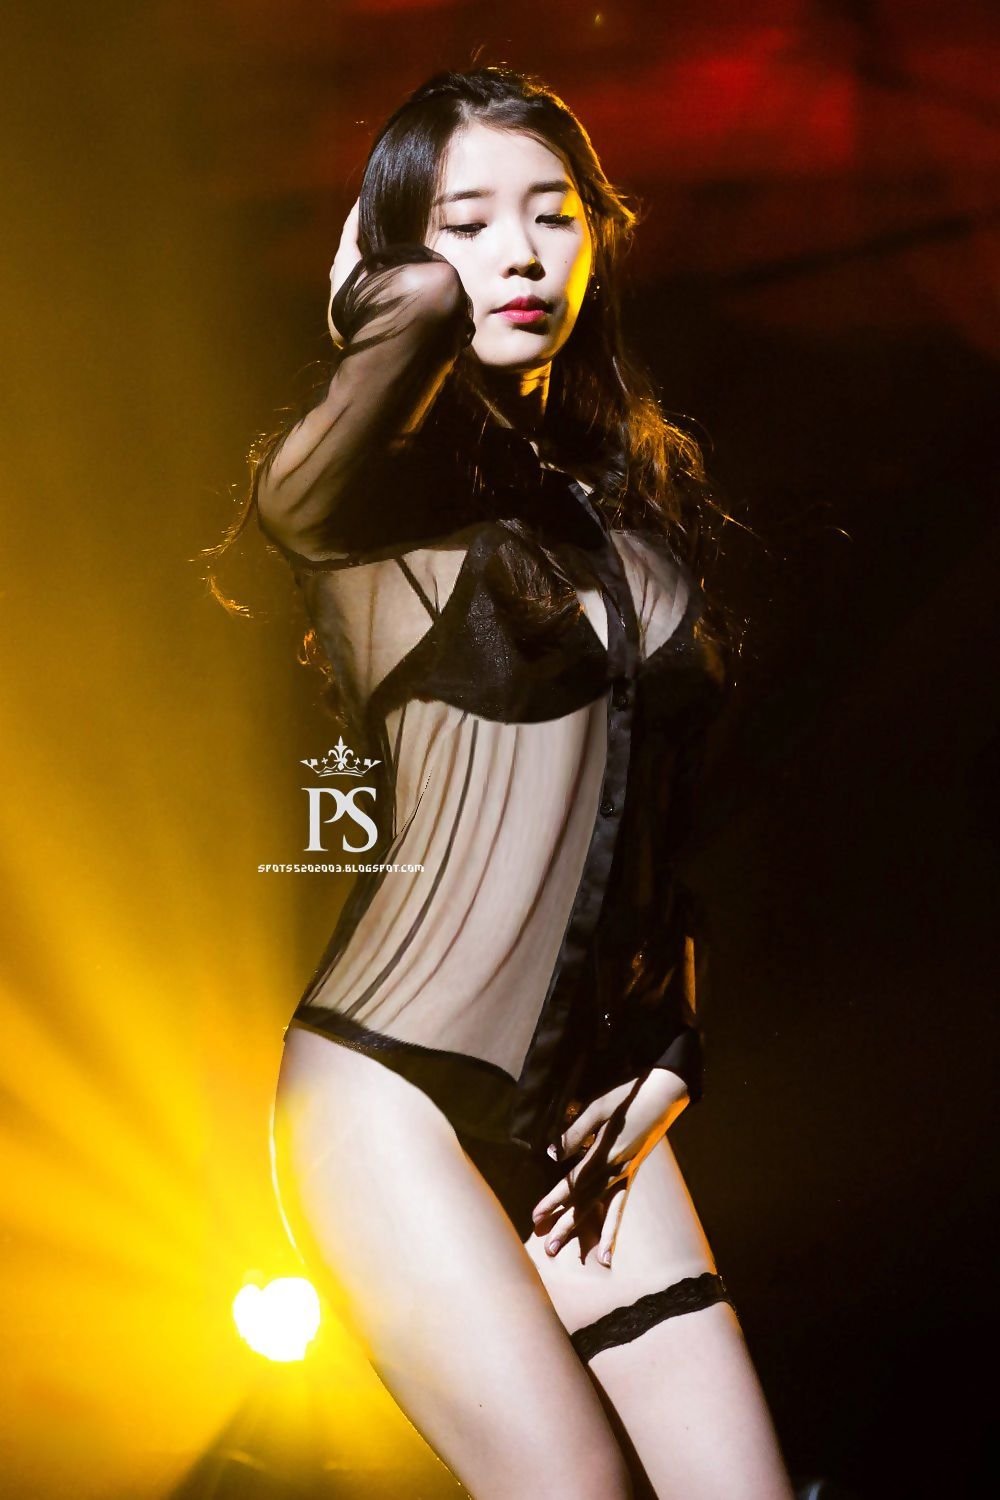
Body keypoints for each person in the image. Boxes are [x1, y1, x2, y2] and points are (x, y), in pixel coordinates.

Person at [219, 65, 797, 1500]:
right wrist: (398, 302)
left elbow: (652, 842)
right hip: (388, 1094)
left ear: (599, 232)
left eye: (554, 213)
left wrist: (675, 1050)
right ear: (397, 255)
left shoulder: (625, 505)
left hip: (590, 1100)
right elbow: (288, 502)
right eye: (467, 223)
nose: (523, 255)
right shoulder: (378, 494)